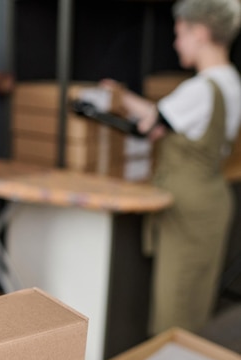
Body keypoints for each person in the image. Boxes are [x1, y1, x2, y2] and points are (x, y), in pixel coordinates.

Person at [103, 0, 241, 336]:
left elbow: (150, 124)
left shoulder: (200, 89)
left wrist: (116, 97)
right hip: (212, 201)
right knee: (195, 304)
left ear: (201, 33)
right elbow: (165, 117)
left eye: (180, 34)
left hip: (188, 209)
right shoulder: (231, 81)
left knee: (174, 311)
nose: (176, 43)